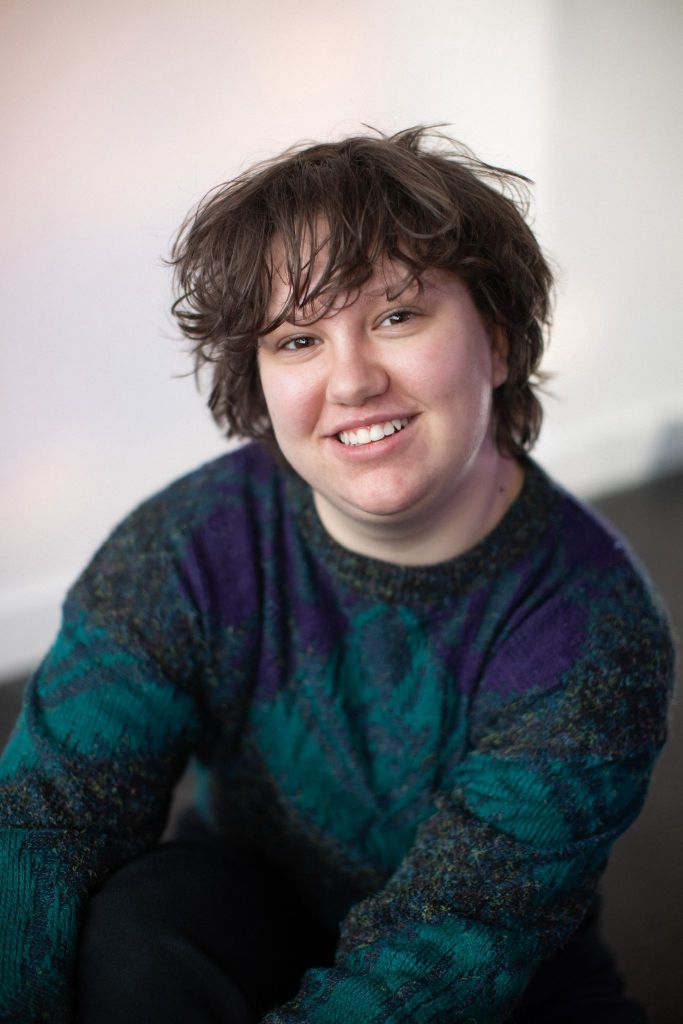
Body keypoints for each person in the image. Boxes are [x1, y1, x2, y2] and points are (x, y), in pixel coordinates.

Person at [0, 127, 674, 1024]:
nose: (350, 381)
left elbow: (451, 948)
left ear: (499, 343)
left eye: (396, 316)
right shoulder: (189, 546)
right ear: (260, 379)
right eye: (297, 340)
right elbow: (48, 820)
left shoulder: (592, 627)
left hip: (498, 987)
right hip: (246, 908)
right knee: (138, 925)